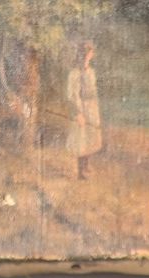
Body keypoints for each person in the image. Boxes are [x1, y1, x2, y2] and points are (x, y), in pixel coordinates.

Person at [66, 41, 102, 180]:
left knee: (91, 137)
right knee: (81, 139)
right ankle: (80, 172)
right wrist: (78, 113)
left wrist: (95, 109)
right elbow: (72, 95)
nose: (89, 55)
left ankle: (86, 166)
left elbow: (93, 91)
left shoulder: (91, 71)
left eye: (90, 53)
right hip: (81, 107)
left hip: (92, 108)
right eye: (87, 53)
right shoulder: (74, 73)